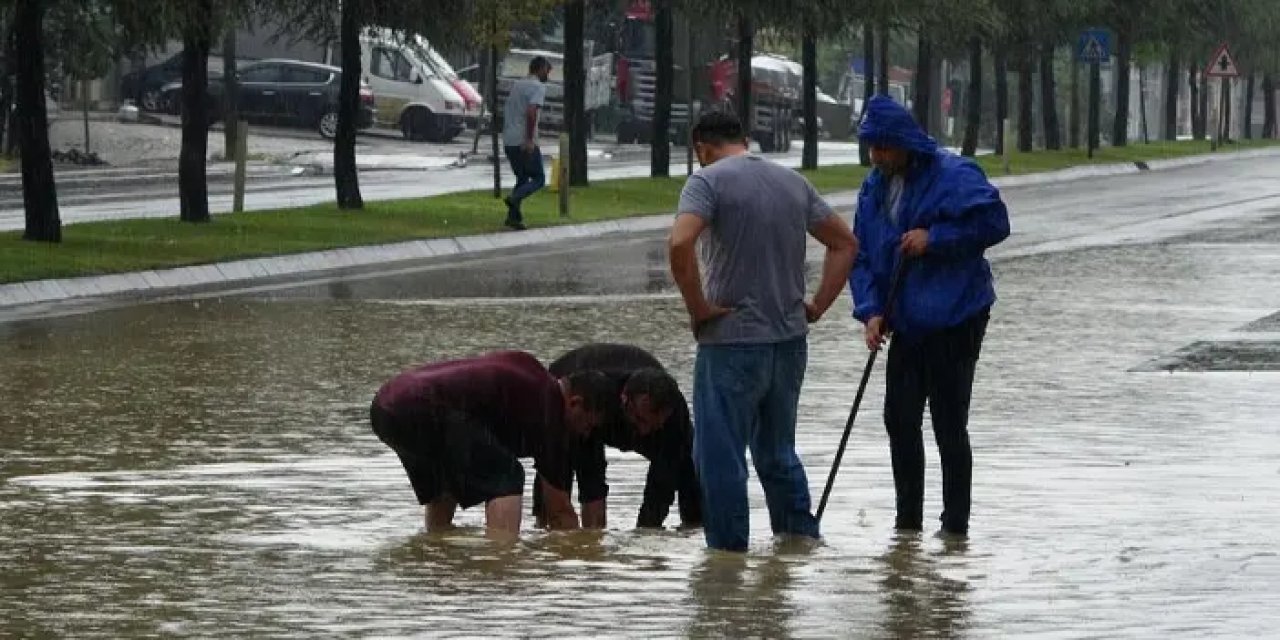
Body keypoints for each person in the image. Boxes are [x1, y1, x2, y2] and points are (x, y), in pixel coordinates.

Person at [668, 111, 859, 552]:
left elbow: (680, 243)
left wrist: (698, 309)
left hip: (731, 342)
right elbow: (845, 243)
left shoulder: (707, 181)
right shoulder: (792, 182)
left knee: (721, 456)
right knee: (777, 452)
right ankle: (798, 543)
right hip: (789, 342)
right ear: (745, 139)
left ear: (701, 148)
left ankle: (728, 561)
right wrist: (817, 305)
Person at [849, 95, 1010, 538]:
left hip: (957, 315)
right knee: (899, 417)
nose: (876, 157)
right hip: (906, 319)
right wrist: (871, 311)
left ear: (905, 143)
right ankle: (907, 525)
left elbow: (995, 223)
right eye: (871, 148)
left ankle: (954, 526)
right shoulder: (873, 188)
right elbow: (861, 255)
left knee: (947, 420)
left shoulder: (954, 175)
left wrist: (935, 238)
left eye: (884, 148)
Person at [369, 350, 614, 537]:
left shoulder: (531, 374)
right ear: (574, 403)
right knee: (508, 476)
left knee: (444, 486)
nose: (585, 434)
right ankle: (501, 563)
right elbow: (559, 511)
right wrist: (582, 559)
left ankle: (436, 553)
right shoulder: (549, 407)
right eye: (588, 425)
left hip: (386, 406)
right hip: (423, 407)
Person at [529, 343, 702, 530]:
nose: (644, 432)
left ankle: (694, 530)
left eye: (653, 426)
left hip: (644, 414)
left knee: (687, 469)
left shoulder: (675, 419)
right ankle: (543, 532)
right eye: (640, 420)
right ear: (624, 399)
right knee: (558, 471)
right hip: (574, 385)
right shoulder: (598, 399)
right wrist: (591, 536)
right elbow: (590, 474)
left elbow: (661, 487)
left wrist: (646, 535)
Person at [501, 56, 552, 231]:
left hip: (509, 139)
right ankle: (514, 198)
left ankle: (513, 218)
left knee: (522, 178)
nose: (548, 73)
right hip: (523, 140)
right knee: (539, 178)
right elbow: (531, 112)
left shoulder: (518, 85)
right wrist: (529, 139)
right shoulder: (538, 87)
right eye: (547, 69)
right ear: (539, 68)